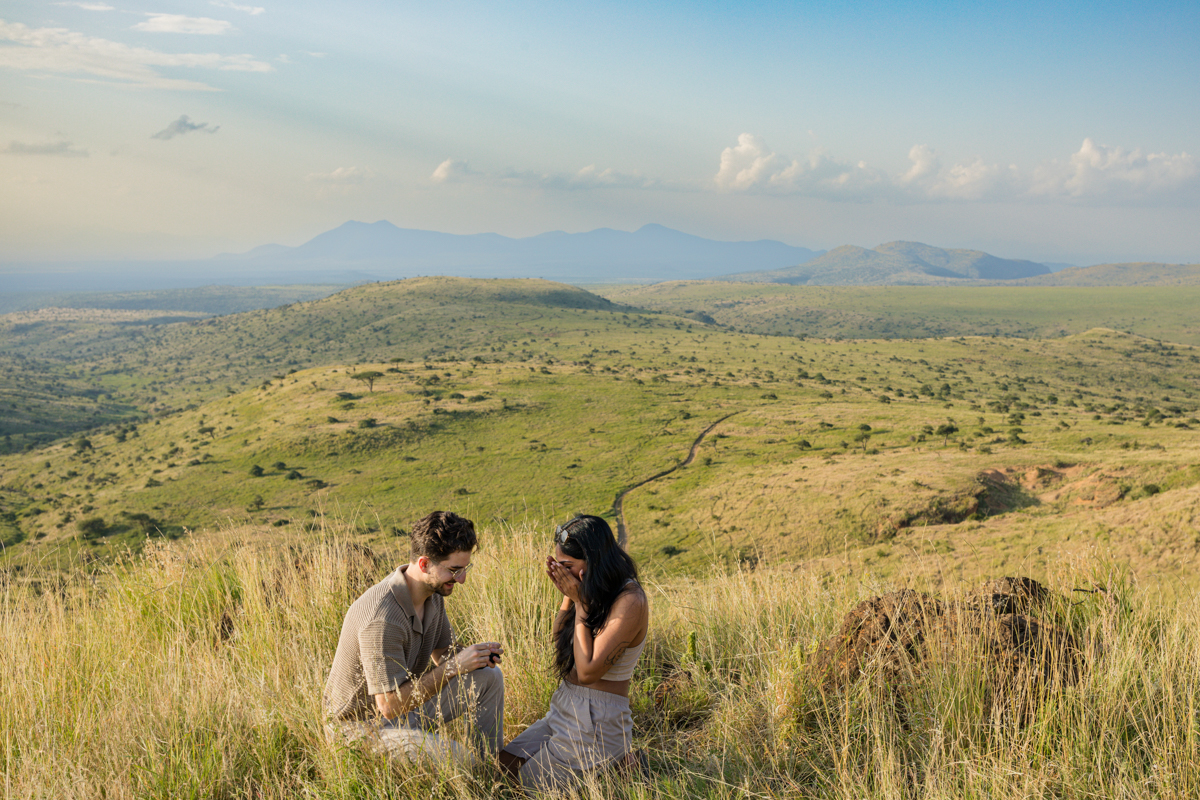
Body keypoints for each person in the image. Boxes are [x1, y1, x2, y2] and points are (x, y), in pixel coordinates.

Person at [323, 511, 505, 765]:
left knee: (489, 676)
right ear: (424, 564)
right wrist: (455, 666)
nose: (462, 579)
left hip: (404, 709)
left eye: (465, 568)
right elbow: (388, 705)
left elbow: (445, 653)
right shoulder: (382, 617)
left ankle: (491, 769)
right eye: (454, 570)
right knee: (458, 759)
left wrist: (477, 656)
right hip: (360, 730)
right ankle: (476, 771)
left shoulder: (433, 594)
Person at [499, 514, 649, 792]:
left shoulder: (630, 601)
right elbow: (560, 639)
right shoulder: (591, 588)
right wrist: (569, 594)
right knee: (505, 767)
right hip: (565, 705)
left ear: (594, 562)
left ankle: (618, 771)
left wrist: (581, 603)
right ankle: (614, 768)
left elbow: (588, 671)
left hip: (597, 716)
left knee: (525, 787)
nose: (562, 573)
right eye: (559, 566)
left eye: (568, 566)